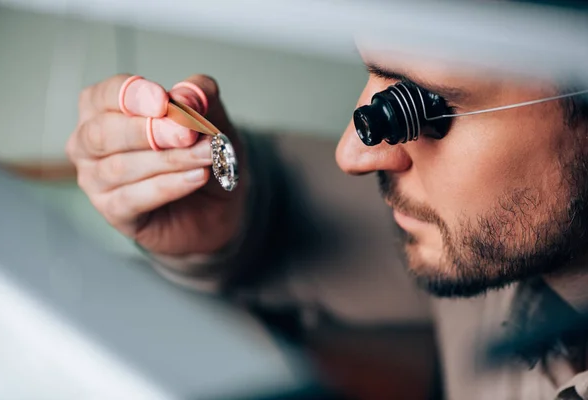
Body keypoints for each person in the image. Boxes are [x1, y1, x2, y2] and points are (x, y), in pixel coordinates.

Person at [65, 42, 588, 399]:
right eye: (374, 75)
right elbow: (285, 211)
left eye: (430, 109)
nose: (352, 156)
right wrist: (224, 222)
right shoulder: (494, 245)